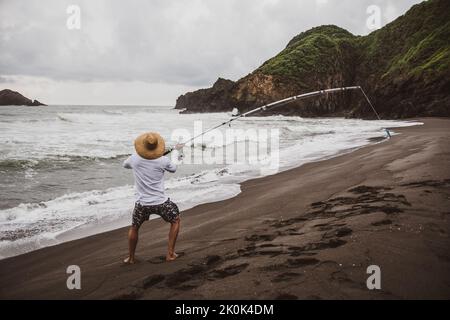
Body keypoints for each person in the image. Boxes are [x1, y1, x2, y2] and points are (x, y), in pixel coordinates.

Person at [122, 132, 182, 263]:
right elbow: (174, 169)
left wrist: (142, 158)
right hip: (161, 202)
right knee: (175, 220)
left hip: (142, 204)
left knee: (134, 227)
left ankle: (131, 258)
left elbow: (125, 165)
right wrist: (176, 152)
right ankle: (170, 254)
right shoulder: (163, 160)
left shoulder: (134, 158)